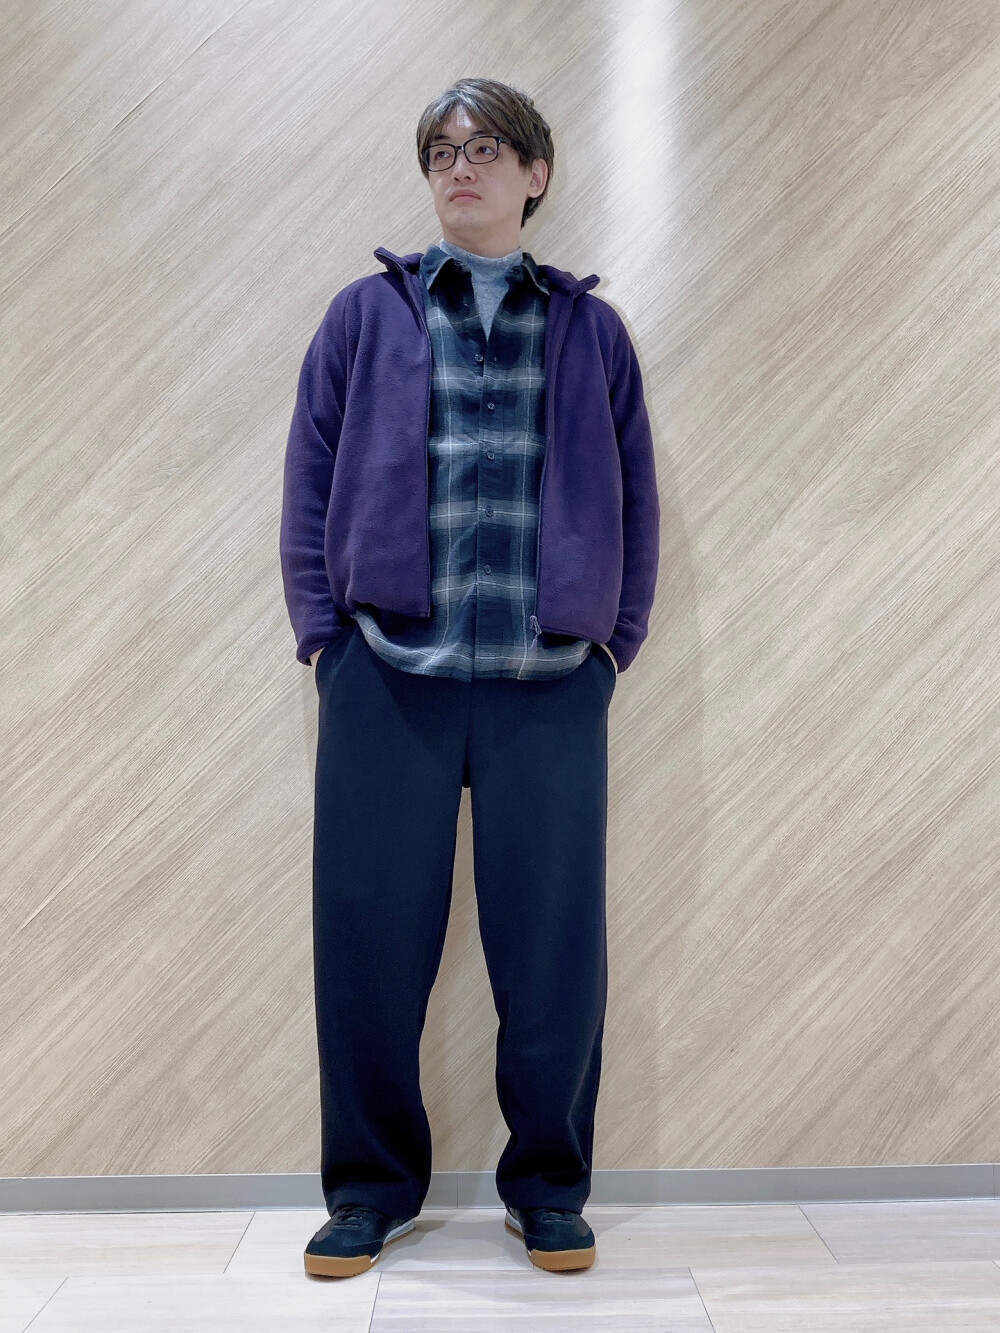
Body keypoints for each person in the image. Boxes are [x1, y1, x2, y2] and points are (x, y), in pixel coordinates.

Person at [280, 77, 660, 1279]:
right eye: (442, 149)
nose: (461, 166)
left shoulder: (591, 332)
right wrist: (325, 637)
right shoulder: (364, 317)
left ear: (535, 175)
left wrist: (610, 645)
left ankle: (546, 1187)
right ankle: (368, 1189)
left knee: (552, 951)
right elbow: (308, 476)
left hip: (549, 683)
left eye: (487, 147)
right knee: (366, 944)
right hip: (386, 677)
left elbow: (636, 495)